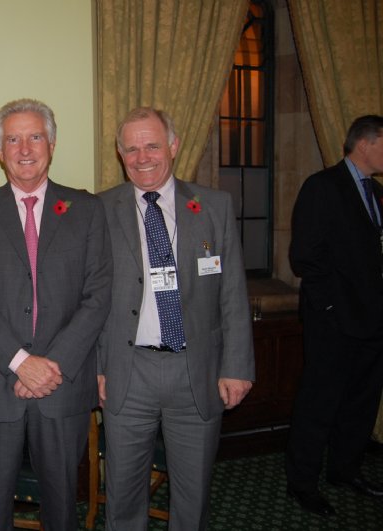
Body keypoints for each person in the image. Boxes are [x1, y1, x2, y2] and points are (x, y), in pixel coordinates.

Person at [0, 98, 113, 530]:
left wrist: (50, 366)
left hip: (63, 383)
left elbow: (98, 295)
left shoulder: (86, 210)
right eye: (13, 139)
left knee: (62, 504)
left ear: (52, 144)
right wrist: (22, 363)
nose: (25, 148)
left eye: (35, 136)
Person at [97, 107, 255, 530]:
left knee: (193, 495)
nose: (142, 156)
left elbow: (233, 294)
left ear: (173, 146)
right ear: (119, 152)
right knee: (124, 495)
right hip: (128, 371)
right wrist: (99, 366)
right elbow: (90, 299)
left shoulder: (214, 206)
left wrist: (237, 366)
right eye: (131, 148)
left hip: (197, 371)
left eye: (152, 145)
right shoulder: (99, 209)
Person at [285, 115, 383, 516]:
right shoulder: (322, 186)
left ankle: (345, 468)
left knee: (361, 402)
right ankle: (302, 483)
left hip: (374, 321)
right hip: (333, 322)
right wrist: (328, 310)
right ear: (365, 143)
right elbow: (305, 257)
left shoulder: (377, 193)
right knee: (319, 403)